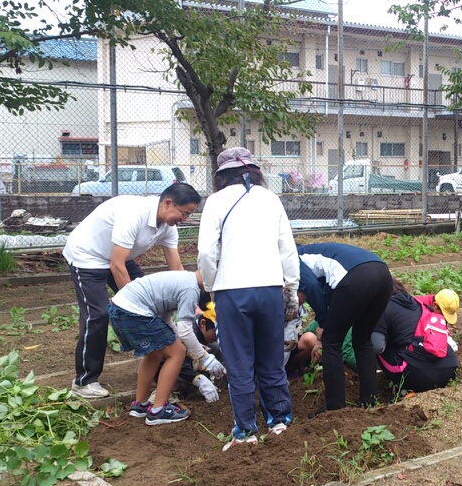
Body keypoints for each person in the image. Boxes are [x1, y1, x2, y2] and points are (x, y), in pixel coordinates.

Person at [198, 147, 299, 451]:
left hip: (231, 292)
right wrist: (291, 288)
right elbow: (287, 249)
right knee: (271, 360)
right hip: (270, 289)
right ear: (254, 171)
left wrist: (212, 285)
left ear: (221, 175)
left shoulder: (216, 201)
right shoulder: (270, 199)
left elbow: (206, 253)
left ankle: (245, 432)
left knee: (240, 363)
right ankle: (279, 422)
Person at [64, 182, 200, 399]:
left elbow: (177, 269)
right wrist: (135, 309)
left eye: (188, 215)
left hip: (119, 256)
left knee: (154, 303)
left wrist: (195, 306)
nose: (184, 219)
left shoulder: (168, 226)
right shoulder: (134, 214)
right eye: (183, 213)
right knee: (98, 315)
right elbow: (116, 265)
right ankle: (84, 381)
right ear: (167, 203)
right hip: (88, 256)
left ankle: (159, 371)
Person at [108, 270, 221, 425]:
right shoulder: (191, 289)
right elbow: (185, 330)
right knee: (177, 353)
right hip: (133, 311)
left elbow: (166, 320)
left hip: (120, 308)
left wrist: (185, 344)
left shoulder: (183, 280)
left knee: (155, 353)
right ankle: (158, 410)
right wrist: (204, 357)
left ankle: (140, 404)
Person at [297, 242, 392, 413]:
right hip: (383, 274)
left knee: (332, 342)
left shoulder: (294, 258)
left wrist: (323, 323)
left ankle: (335, 409)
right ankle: (369, 402)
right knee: (363, 340)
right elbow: (331, 293)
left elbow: (311, 286)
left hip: (357, 276)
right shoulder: (319, 251)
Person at [373, 283, 460, 393]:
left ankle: (402, 387)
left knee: (381, 347)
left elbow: (377, 347)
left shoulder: (384, 307)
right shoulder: (422, 305)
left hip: (421, 375)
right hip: (451, 367)